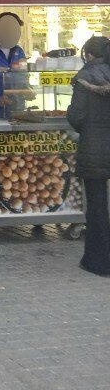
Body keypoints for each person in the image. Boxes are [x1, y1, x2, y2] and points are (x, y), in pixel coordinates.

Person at [67, 35, 110, 277]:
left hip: (94, 151)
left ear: (89, 55)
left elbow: (77, 117)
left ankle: (98, 261)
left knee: (97, 207)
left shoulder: (85, 78)